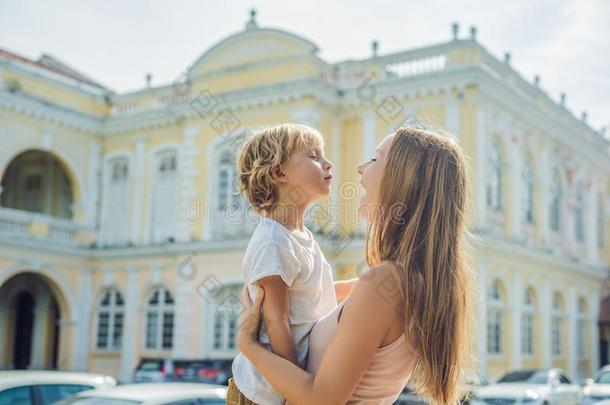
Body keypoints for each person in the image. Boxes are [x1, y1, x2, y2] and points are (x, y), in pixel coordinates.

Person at [237, 127, 477, 405]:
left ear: (404, 180)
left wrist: (248, 345)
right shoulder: (407, 281)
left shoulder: (384, 284)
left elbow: (320, 400)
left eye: (375, 159)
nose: (360, 169)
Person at [229, 123, 357, 405]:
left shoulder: (300, 236)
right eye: (314, 156)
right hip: (265, 395)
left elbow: (308, 297)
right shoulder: (273, 240)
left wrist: (358, 287)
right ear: (278, 172)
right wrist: (294, 386)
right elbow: (277, 320)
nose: (328, 162)